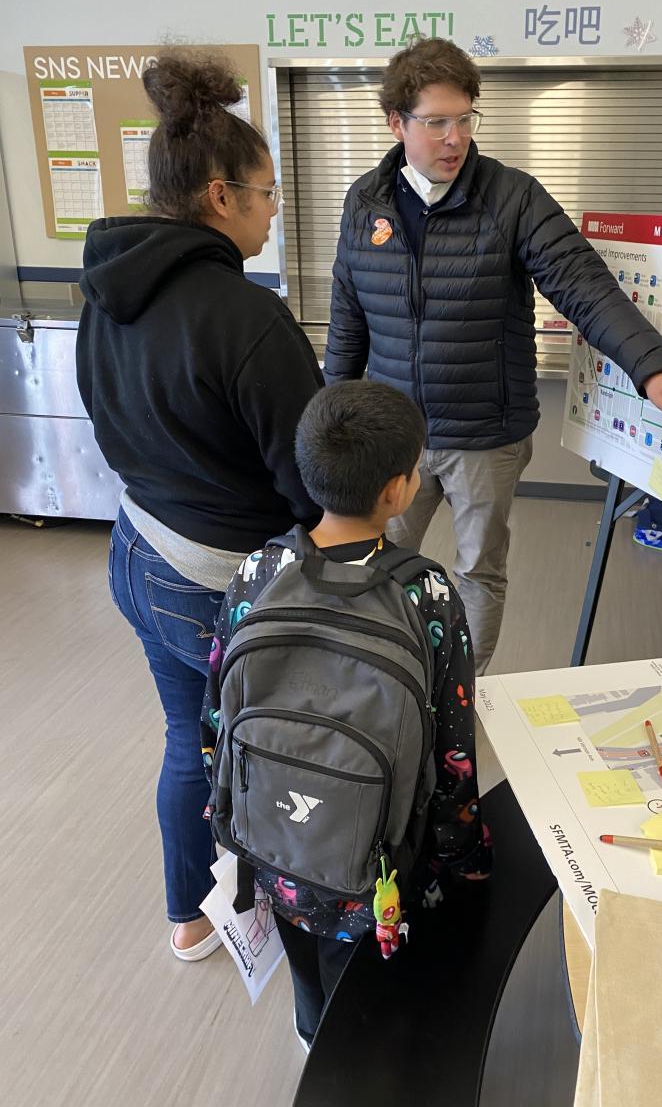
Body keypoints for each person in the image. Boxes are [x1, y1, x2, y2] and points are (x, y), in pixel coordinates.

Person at [325, 38, 662, 674]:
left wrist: (652, 365)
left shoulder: (512, 198)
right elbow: (349, 315)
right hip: (392, 433)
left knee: (478, 571)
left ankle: (461, 698)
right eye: (436, 122)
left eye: (465, 119)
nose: (454, 137)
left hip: (484, 436)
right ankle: (383, 683)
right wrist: (333, 416)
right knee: (374, 563)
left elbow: (583, 282)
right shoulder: (366, 202)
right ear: (397, 123)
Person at [76, 50, 323, 960]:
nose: (272, 210)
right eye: (265, 193)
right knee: (270, 756)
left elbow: (104, 417)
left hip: (135, 550)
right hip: (218, 579)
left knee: (189, 738)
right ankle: (295, 930)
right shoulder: (248, 319)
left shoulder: (105, 290)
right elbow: (311, 481)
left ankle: (190, 918)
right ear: (221, 197)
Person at [201, 381, 491, 1047]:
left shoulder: (258, 571)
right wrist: (466, 859)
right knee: (370, 998)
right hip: (381, 870)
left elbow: (214, 723)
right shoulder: (427, 591)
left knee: (307, 975)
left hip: (271, 850)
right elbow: (451, 750)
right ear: (397, 489)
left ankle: (310, 1034)